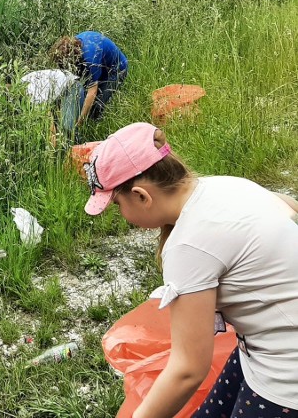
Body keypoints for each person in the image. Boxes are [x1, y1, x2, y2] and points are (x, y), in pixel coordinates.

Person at [82, 122, 298, 418]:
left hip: (286, 376)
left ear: (141, 196)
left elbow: (187, 370)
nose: (121, 215)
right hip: (261, 348)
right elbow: (289, 207)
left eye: (118, 204)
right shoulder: (224, 185)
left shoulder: (188, 244)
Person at [50, 31, 128, 124]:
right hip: (101, 64)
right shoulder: (73, 48)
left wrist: (80, 122)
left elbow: (92, 92)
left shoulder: (90, 59)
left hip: (116, 69)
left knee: (97, 104)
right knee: (82, 97)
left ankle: (94, 125)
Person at [21, 68, 84, 140]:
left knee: (67, 129)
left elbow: (49, 121)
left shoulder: (32, 92)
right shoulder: (20, 82)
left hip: (72, 87)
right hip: (57, 93)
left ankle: (79, 147)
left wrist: (51, 150)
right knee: (58, 129)